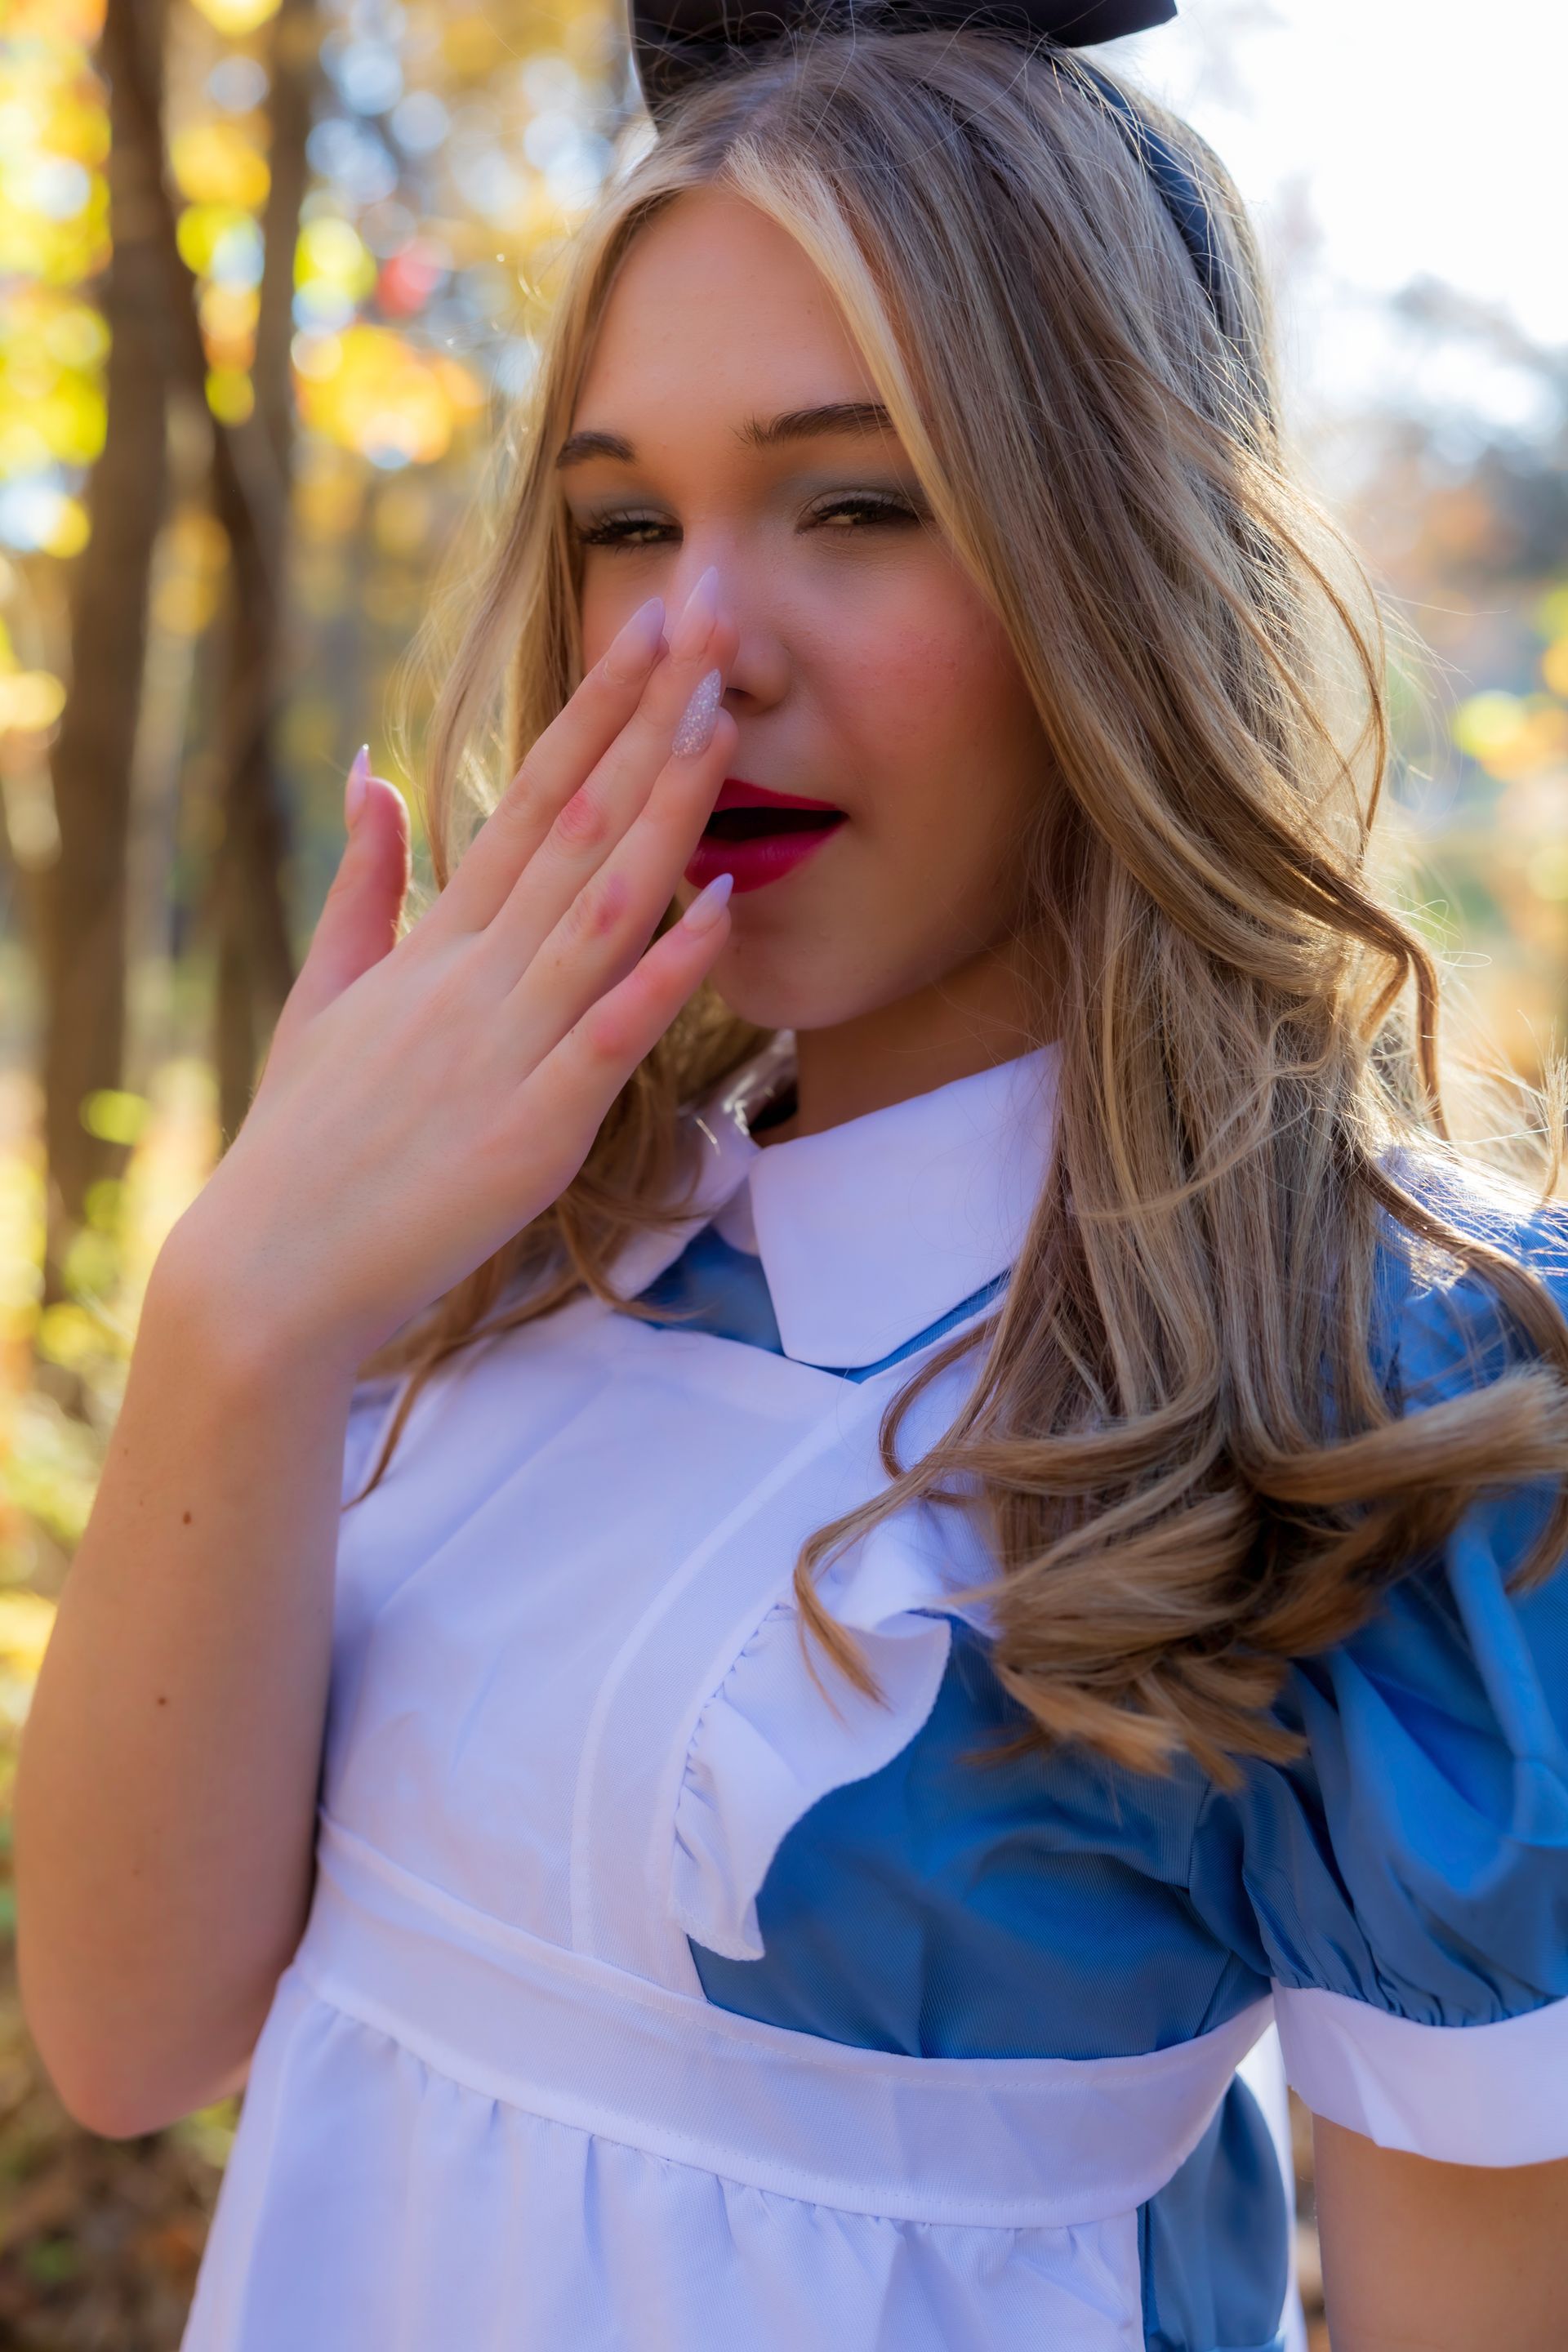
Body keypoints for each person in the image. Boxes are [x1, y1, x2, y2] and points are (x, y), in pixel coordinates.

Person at [15, 2, 1568, 2345]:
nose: (692, 638)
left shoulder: (1388, 1389)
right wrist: (250, 1303)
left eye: (856, 503)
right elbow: (133, 2039)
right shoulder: (502, 1235)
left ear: (1115, 575)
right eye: (624, 522)